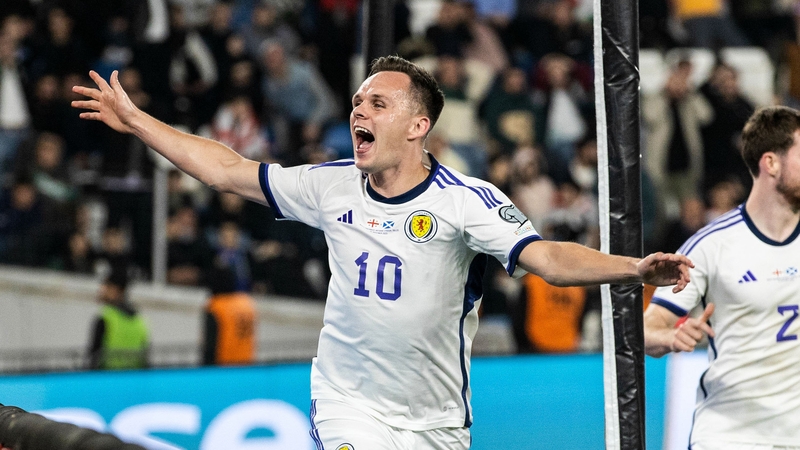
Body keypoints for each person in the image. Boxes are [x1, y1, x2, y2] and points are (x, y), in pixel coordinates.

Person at [73, 55, 692, 450]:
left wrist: (633, 268)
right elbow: (227, 171)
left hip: (436, 423)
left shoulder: (465, 201)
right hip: (349, 405)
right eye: (356, 103)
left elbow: (549, 260)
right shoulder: (332, 184)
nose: (358, 112)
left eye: (377, 103)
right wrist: (138, 121)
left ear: (418, 126)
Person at [644, 105, 800, 448]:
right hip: (732, 436)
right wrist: (672, 339)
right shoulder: (711, 245)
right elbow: (645, 331)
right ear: (771, 163)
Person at [88, 269, 149, 370]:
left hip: (107, 381)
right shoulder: (141, 321)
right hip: (134, 382)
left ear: (116, 290)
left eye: (106, 286)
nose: (102, 290)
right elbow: (145, 361)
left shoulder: (105, 318)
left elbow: (93, 359)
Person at [202, 265, 257, 366]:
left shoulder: (216, 306)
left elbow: (210, 345)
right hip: (247, 363)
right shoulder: (247, 303)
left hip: (224, 365)